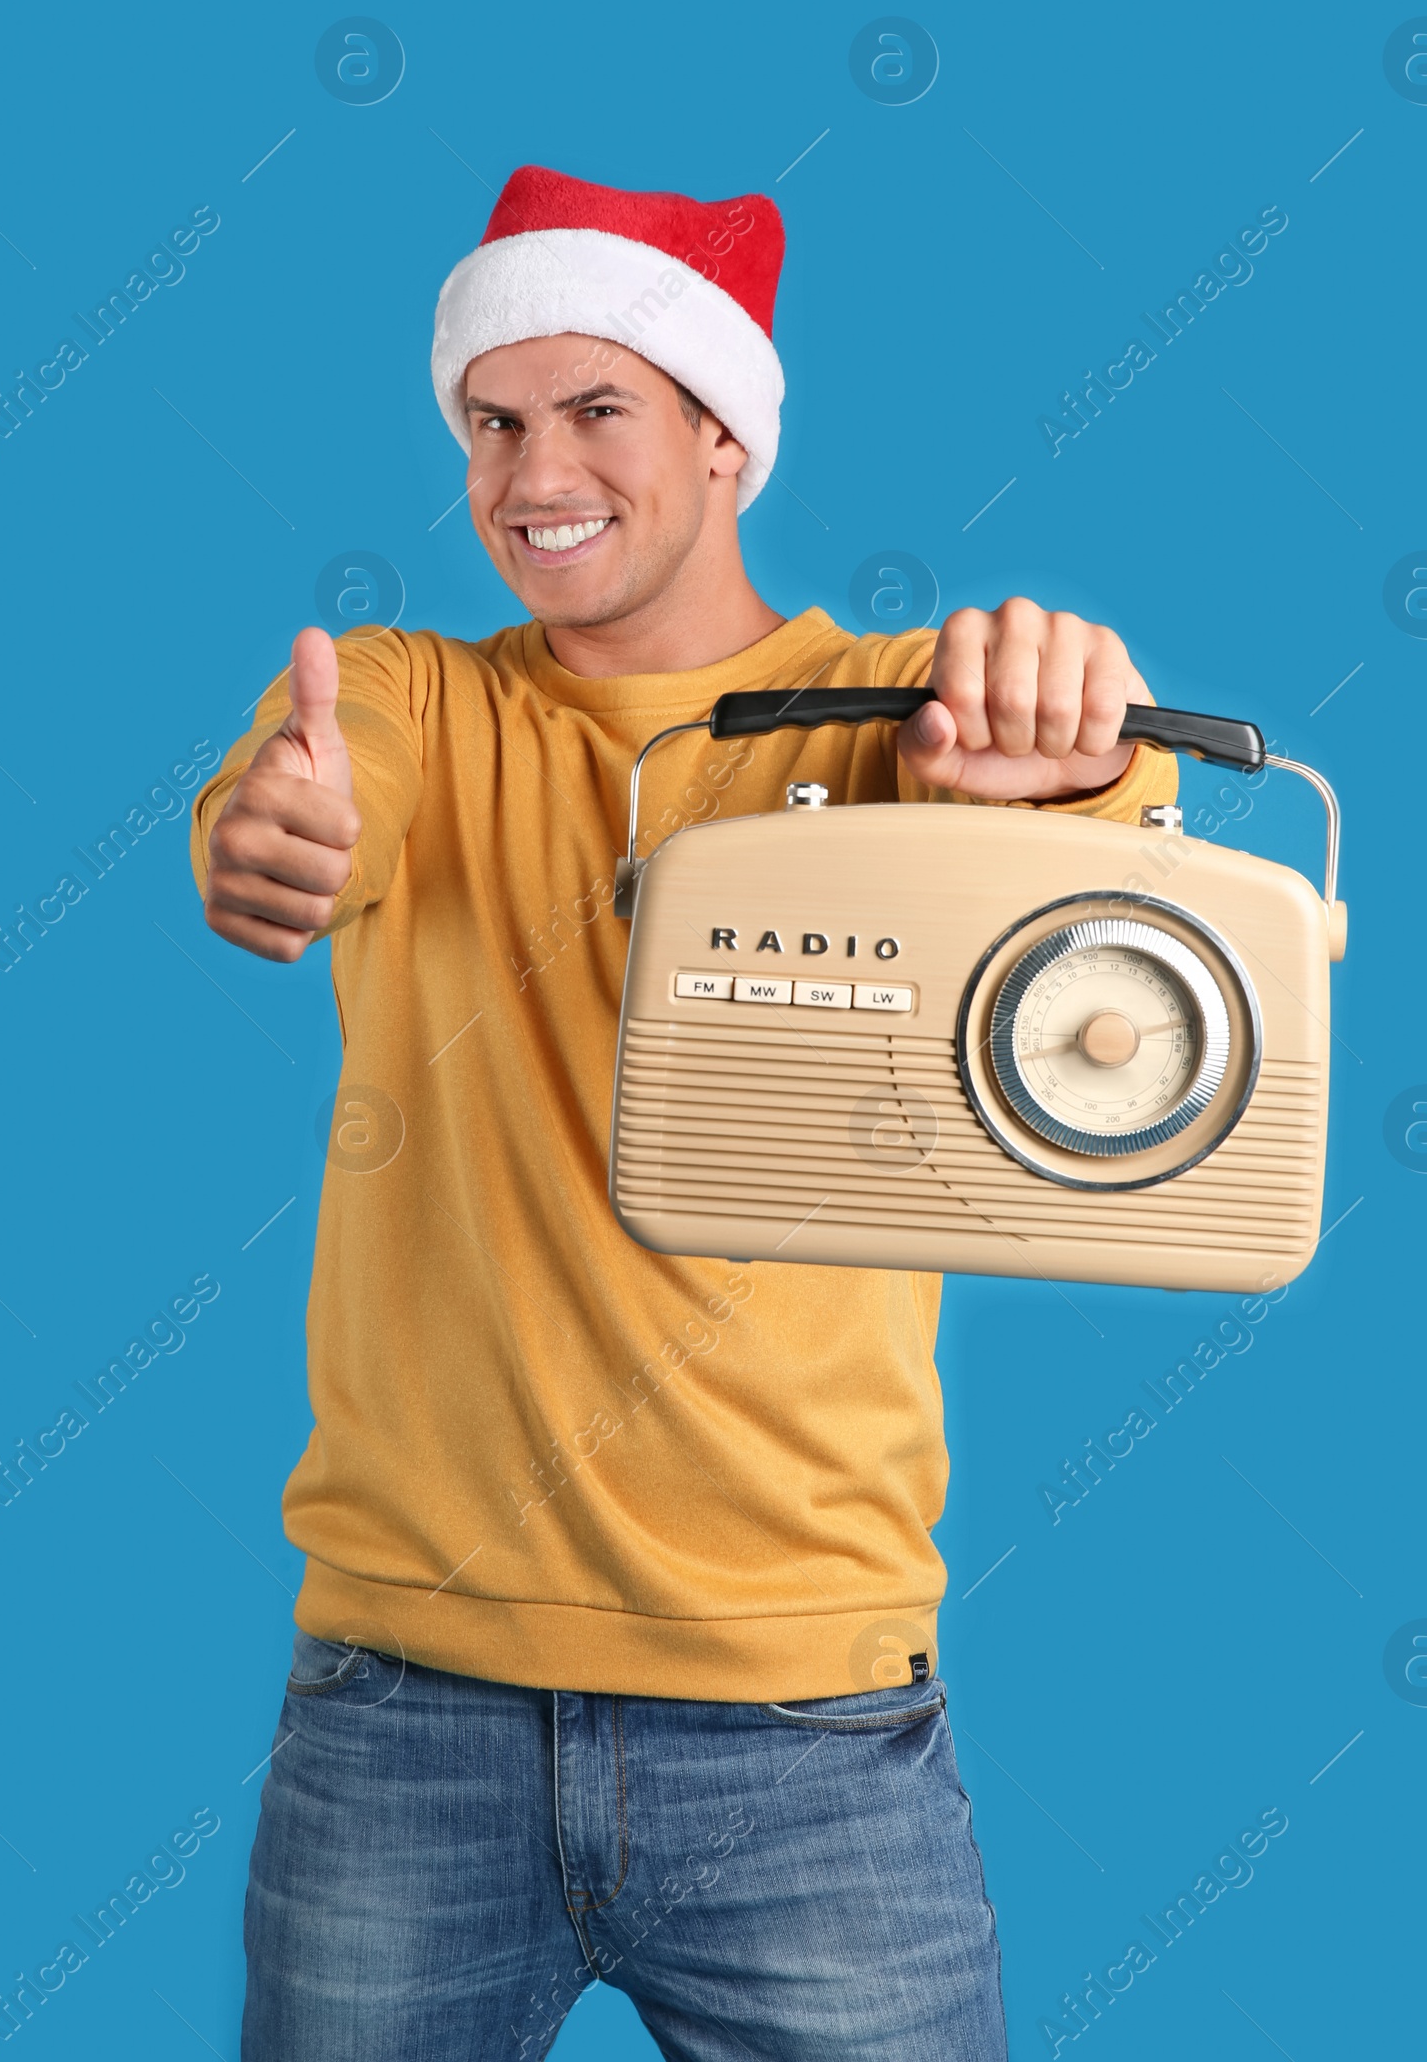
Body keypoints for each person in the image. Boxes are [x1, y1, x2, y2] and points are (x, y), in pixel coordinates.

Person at [192, 165, 1177, 2060]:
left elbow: (1097, 916)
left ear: (726, 435)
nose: (527, 469)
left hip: (812, 1737)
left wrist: (1070, 766)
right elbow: (313, 799)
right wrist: (271, 841)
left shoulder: (897, 719)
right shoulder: (405, 696)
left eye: (594, 410)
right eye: (491, 420)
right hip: (406, 1717)